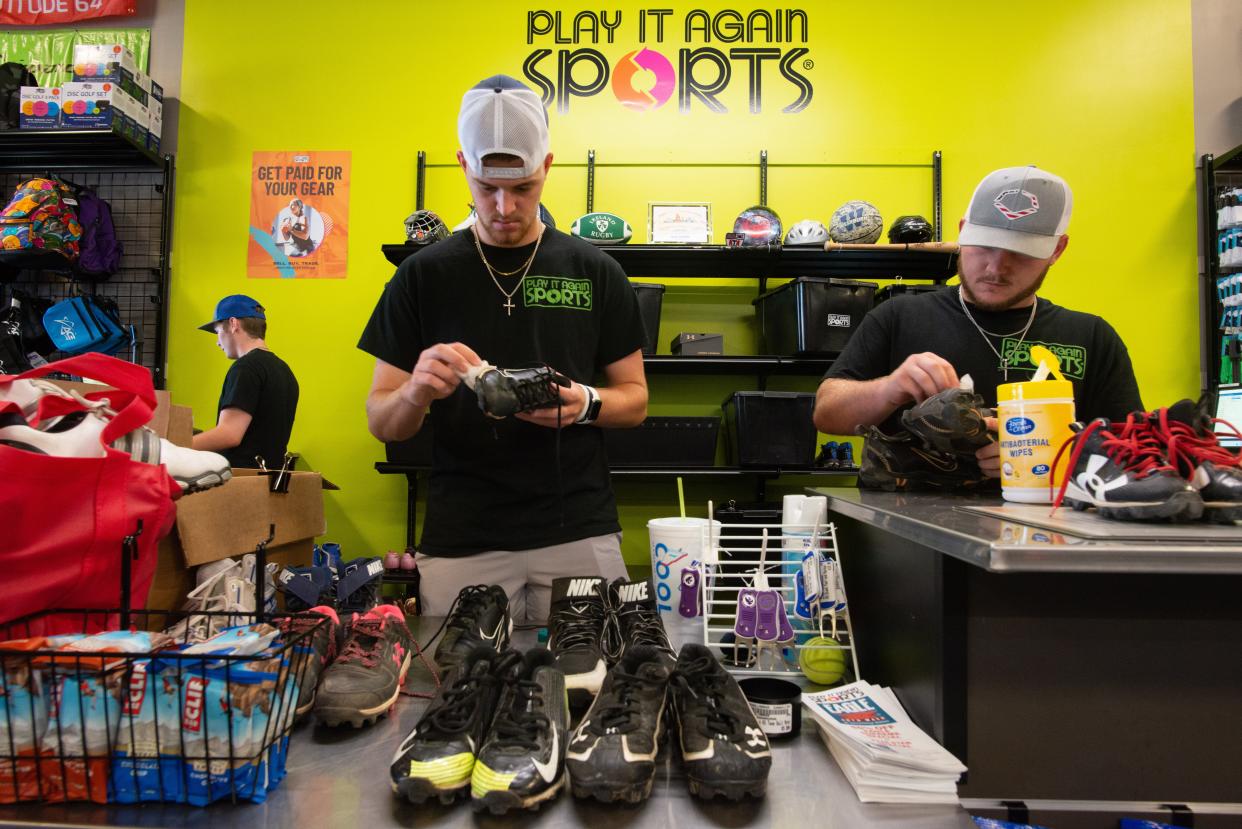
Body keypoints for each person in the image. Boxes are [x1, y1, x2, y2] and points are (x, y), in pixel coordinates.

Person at [358, 75, 649, 623]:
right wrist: (417, 390)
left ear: (547, 168)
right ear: (463, 167)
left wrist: (585, 403)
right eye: (488, 188)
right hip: (462, 538)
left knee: (596, 689)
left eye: (523, 189)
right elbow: (382, 420)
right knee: (457, 691)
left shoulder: (596, 272)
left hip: (577, 529)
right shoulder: (421, 277)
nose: (504, 206)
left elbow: (635, 400)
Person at [813, 165, 1143, 477]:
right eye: (984, 246)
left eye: (1022, 253)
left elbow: (1134, 451)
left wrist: (1052, 458)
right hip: (902, 524)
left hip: (1049, 528)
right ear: (962, 232)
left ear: (1057, 249)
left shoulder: (1091, 337)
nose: (996, 268)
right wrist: (892, 387)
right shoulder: (897, 315)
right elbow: (826, 412)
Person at [193, 294, 300, 470]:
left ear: (234, 324)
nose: (217, 342)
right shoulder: (283, 369)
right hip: (269, 481)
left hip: (243, 481)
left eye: (218, 331)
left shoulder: (245, 368)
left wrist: (174, 448)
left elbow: (229, 434)